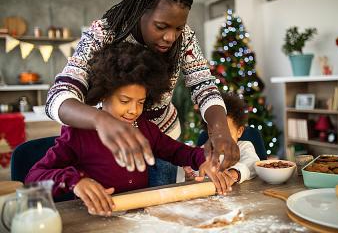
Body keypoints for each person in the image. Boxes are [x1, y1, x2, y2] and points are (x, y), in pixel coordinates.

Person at [45, 0, 240, 185]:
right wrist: (100, 120)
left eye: (178, 28)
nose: (171, 37)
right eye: (161, 26)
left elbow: (203, 85)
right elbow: (60, 95)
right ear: (140, 11)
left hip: (162, 139)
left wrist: (219, 129)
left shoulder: (185, 38)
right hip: (111, 140)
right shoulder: (103, 33)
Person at [26, 42, 231, 217]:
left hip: (137, 218)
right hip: (94, 219)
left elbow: (177, 151)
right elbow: (33, 178)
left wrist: (203, 159)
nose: (133, 110)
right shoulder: (78, 133)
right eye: (125, 101)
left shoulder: (144, 128)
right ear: (104, 94)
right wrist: (75, 182)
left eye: (141, 102)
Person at [196, 92, 260, 184]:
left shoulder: (244, 147)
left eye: (226, 134)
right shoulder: (203, 151)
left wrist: (233, 174)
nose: (219, 140)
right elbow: (197, 170)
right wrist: (192, 174)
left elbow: (252, 164)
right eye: (212, 133)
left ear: (239, 131)